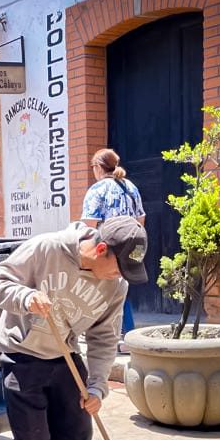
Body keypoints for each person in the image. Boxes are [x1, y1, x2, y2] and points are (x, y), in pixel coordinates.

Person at [0, 217, 149, 440]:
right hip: (23, 352)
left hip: (65, 353)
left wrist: (97, 387)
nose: (121, 277)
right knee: (33, 439)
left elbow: (103, 338)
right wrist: (25, 297)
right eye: (118, 267)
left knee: (77, 425)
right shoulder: (48, 248)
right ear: (101, 250)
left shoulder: (117, 286)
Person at [80, 148, 147, 352]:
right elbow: (141, 220)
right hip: (130, 244)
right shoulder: (131, 187)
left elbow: (89, 225)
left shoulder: (97, 189)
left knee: (100, 291)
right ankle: (128, 334)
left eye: (93, 167)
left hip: (105, 249)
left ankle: (107, 336)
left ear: (98, 167)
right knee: (122, 288)